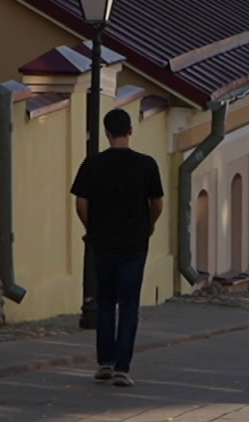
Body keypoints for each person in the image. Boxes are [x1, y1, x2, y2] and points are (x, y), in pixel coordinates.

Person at [70, 108, 164, 387]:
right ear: (131, 131)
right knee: (130, 303)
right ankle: (123, 368)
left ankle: (105, 363)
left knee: (106, 301)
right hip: (135, 242)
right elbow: (156, 203)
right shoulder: (146, 164)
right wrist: (149, 225)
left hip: (103, 242)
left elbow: (81, 203)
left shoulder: (92, 164)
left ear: (107, 133)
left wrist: (92, 228)